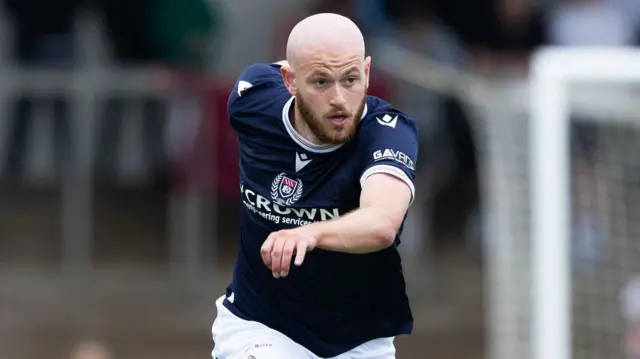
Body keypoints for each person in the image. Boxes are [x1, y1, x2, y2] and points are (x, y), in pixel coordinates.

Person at [211, 13, 418, 359]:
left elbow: (382, 221)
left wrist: (310, 234)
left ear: (367, 73)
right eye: (321, 82)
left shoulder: (388, 132)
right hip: (259, 324)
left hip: (359, 341)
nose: (339, 98)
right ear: (290, 80)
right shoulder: (252, 100)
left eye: (351, 79)